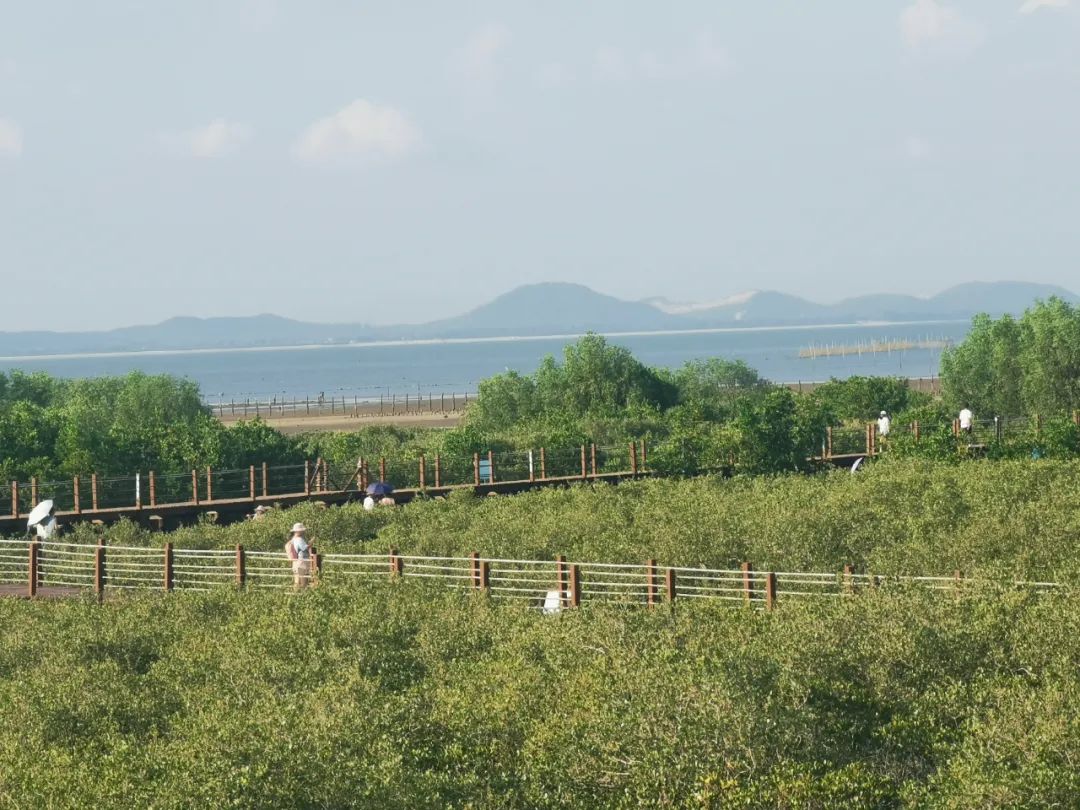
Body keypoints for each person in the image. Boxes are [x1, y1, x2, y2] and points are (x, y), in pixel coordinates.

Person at [284, 522, 312, 590]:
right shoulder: (299, 539)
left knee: (297, 581)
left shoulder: (293, 539)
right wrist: (311, 542)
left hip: (296, 562)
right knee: (303, 582)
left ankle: (295, 596)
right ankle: (300, 596)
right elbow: (305, 548)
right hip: (302, 562)